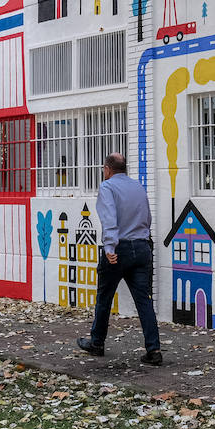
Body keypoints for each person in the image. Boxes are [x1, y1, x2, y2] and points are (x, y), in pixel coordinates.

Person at [77, 152, 162, 365]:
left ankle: (97, 343)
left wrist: (110, 246)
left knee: (104, 298)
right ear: (124, 168)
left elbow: (109, 218)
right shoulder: (138, 187)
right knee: (144, 301)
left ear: (107, 169)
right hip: (142, 248)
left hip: (119, 249)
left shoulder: (107, 187)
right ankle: (154, 350)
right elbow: (147, 218)